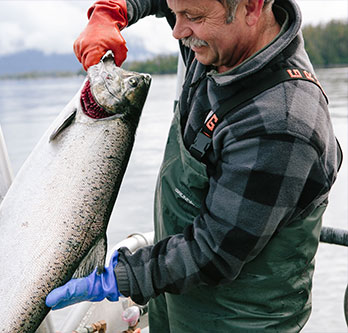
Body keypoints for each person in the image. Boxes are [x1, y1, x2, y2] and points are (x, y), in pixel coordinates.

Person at [46, 0, 343, 331]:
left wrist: (123, 276)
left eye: (194, 17)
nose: (177, 30)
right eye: (177, 12)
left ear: (253, 7)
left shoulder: (283, 124)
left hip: (238, 318)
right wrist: (112, 12)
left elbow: (212, 252)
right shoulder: (220, 43)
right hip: (176, 291)